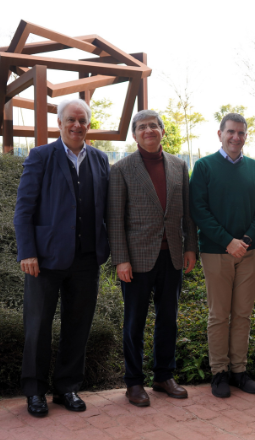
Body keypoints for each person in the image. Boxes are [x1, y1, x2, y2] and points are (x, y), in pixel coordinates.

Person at [13, 98, 110, 417]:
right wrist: (27, 251)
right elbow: (24, 208)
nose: (77, 125)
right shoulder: (41, 155)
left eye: (82, 120)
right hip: (44, 259)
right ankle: (34, 391)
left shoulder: (99, 159)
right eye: (71, 119)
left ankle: (67, 387)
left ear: (88, 125)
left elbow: (105, 209)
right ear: (59, 123)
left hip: (85, 259)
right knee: (38, 326)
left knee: (78, 325)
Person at [107, 110, 198, 406]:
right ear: (134, 135)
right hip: (136, 259)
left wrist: (189, 247)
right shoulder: (121, 169)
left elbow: (187, 213)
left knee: (168, 319)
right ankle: (133, 382)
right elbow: (115, 218)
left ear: (162, 130)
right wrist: (121, 259)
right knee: (134, 321)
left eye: (154, 126)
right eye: (142, 127)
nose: (149, 130)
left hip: (171, 256)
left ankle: (163, 375)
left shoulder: (178, 165)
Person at [189, 113, 255, 398]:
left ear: (245, 136)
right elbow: (198, 210)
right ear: (220, 134)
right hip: (216, 252)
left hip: (251, 251)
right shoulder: (203, 167)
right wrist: (228, 241)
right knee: (218, 314)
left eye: (241, 133)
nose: (236, 137)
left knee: (242, 315)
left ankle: (239, 371)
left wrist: (246, 240)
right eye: (231, 132)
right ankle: (219, 372)